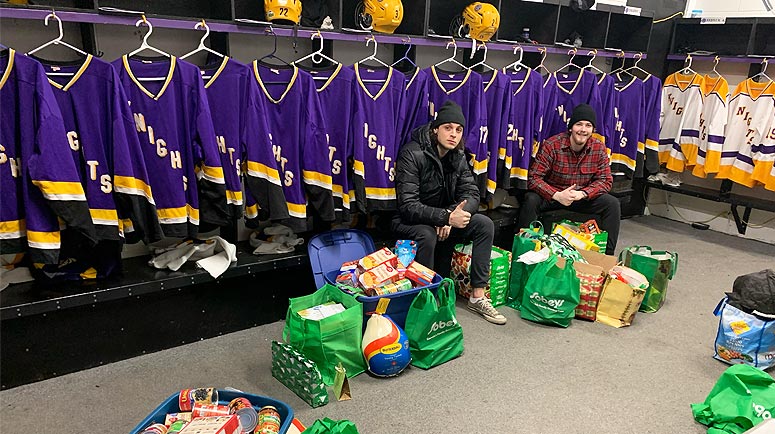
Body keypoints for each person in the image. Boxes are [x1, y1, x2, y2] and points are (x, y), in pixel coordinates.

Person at [393, 100, 506, 325]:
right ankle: (427, 300)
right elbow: (408, 205)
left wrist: (449, 216)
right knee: (427, 233)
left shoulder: (458, 155)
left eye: (459, 129)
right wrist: (444, 217)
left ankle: (477, 296)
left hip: (445, 219)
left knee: (484, 223)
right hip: (408, 221)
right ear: (435, 129)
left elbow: (472, 194)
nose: (453, 134)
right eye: (448, 128)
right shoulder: (412, 153)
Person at [518, 103, 620, 255]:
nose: (583, 130)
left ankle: (607, 257)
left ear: (593, 130)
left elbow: (605, 180)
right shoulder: (552, 145)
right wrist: (557, 195)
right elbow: (533, 178)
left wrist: (583, 194)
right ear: (571, 127)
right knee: (531, 199)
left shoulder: (598, 148)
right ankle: (524, 251)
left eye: (588, 125)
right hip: (553, 196)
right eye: (579, 124)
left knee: (612, 204)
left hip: (580, 197)